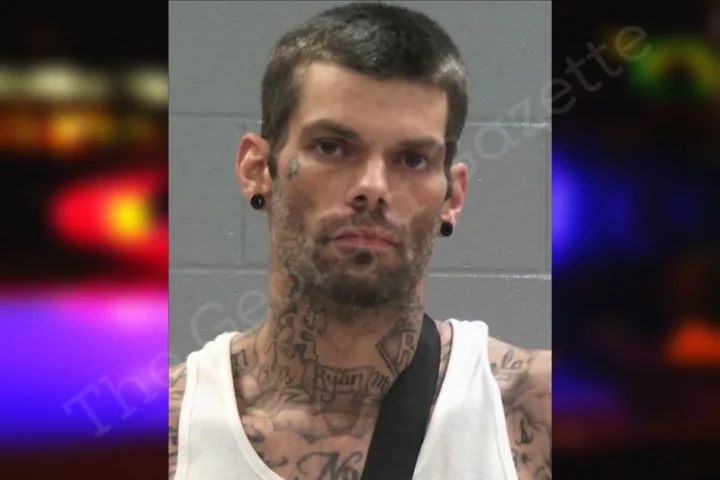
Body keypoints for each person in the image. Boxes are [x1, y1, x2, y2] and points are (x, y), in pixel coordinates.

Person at [168, 2, 551, 479]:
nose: (373, 187)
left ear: (452, 196)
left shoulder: (533, 408)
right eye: (331, 147)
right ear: (257, 170)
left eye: (412, 159)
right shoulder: (172, 426)